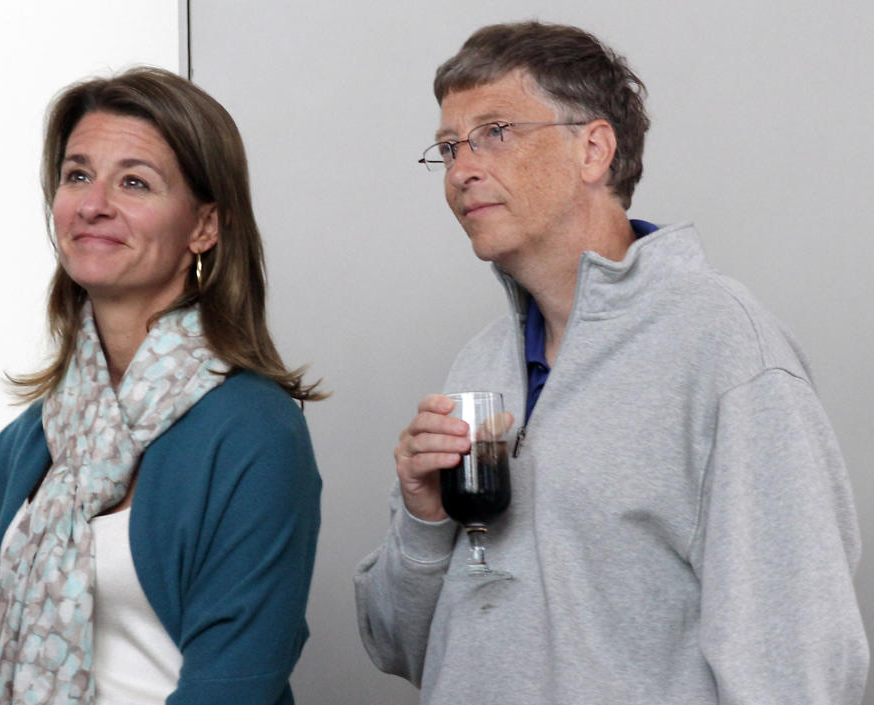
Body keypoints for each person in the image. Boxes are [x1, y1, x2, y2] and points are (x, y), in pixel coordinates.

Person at [354, 21, 868, 705]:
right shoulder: (479, 363)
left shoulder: (726, 349)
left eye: (495, 132)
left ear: (593, 148)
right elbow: (401, 646)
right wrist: (424, 518)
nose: (461, 170)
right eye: (448, 147)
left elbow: (799, 662)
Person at [0, 67, 323, 705]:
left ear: (204, 226)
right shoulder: (23, 445)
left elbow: (234, 686)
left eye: (134, 181)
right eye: (77, 175)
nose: (93, 204)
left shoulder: (254, 432)